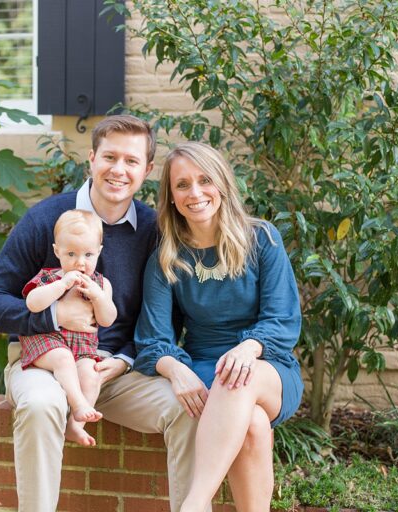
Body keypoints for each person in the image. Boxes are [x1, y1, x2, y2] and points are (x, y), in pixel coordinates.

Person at [0, 115, 226, 512]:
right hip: (44, 362)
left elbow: (166, 316)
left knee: (191, 409)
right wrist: (54, 316)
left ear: (147, 170)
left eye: (131, 161)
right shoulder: (46, 220)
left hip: (115, 371)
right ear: (91, 158)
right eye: (109, 157)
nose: (118, 170)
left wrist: (125, 359)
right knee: (41, 407)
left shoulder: (154, 230)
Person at [133, 141, 304, 512]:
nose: (195, 193)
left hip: (268, 366)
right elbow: (152, 339)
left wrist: (249, 347)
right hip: (206, 366)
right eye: (182, 185)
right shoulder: (167, 259)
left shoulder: (262, 240)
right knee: (254, 426)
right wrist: (175, 369)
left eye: (204, 180)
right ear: (171, 197)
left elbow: (283, 319)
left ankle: (194, 503)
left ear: (223, 184)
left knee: (237, 375)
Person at [19, 209, 116, 446]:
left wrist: (98, 297)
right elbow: (32, 303)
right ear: (57, 251)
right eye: (71, 253)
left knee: (92, 376)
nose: (80, 262)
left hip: (82, 349)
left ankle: (75, 426)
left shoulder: (101, 284)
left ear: (98, 252)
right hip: (47, 344)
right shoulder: (49, 278)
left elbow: (107, 319)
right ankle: (78, 403)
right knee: (63, 358)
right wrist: (61, 286)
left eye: (88, 254)